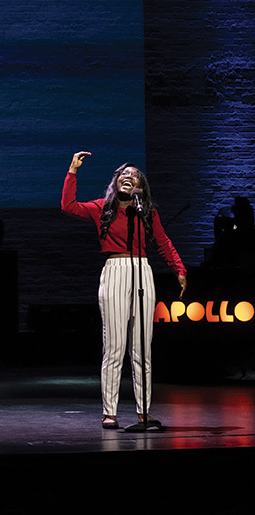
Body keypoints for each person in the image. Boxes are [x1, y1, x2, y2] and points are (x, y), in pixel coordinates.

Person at [61, 151, 187, 429]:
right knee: (115, 347)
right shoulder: (100, 208)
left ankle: (144, 413)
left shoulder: (146, 212)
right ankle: (110, 412)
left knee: (142, 348)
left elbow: (163, 241)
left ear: (141, 187)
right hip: (115, 270)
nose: (129, 177)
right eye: (124, 175)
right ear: (115, 181)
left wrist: (179, 268)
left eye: (135, 176)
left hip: (142, 270)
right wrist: (73, 171)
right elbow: (68, 206)